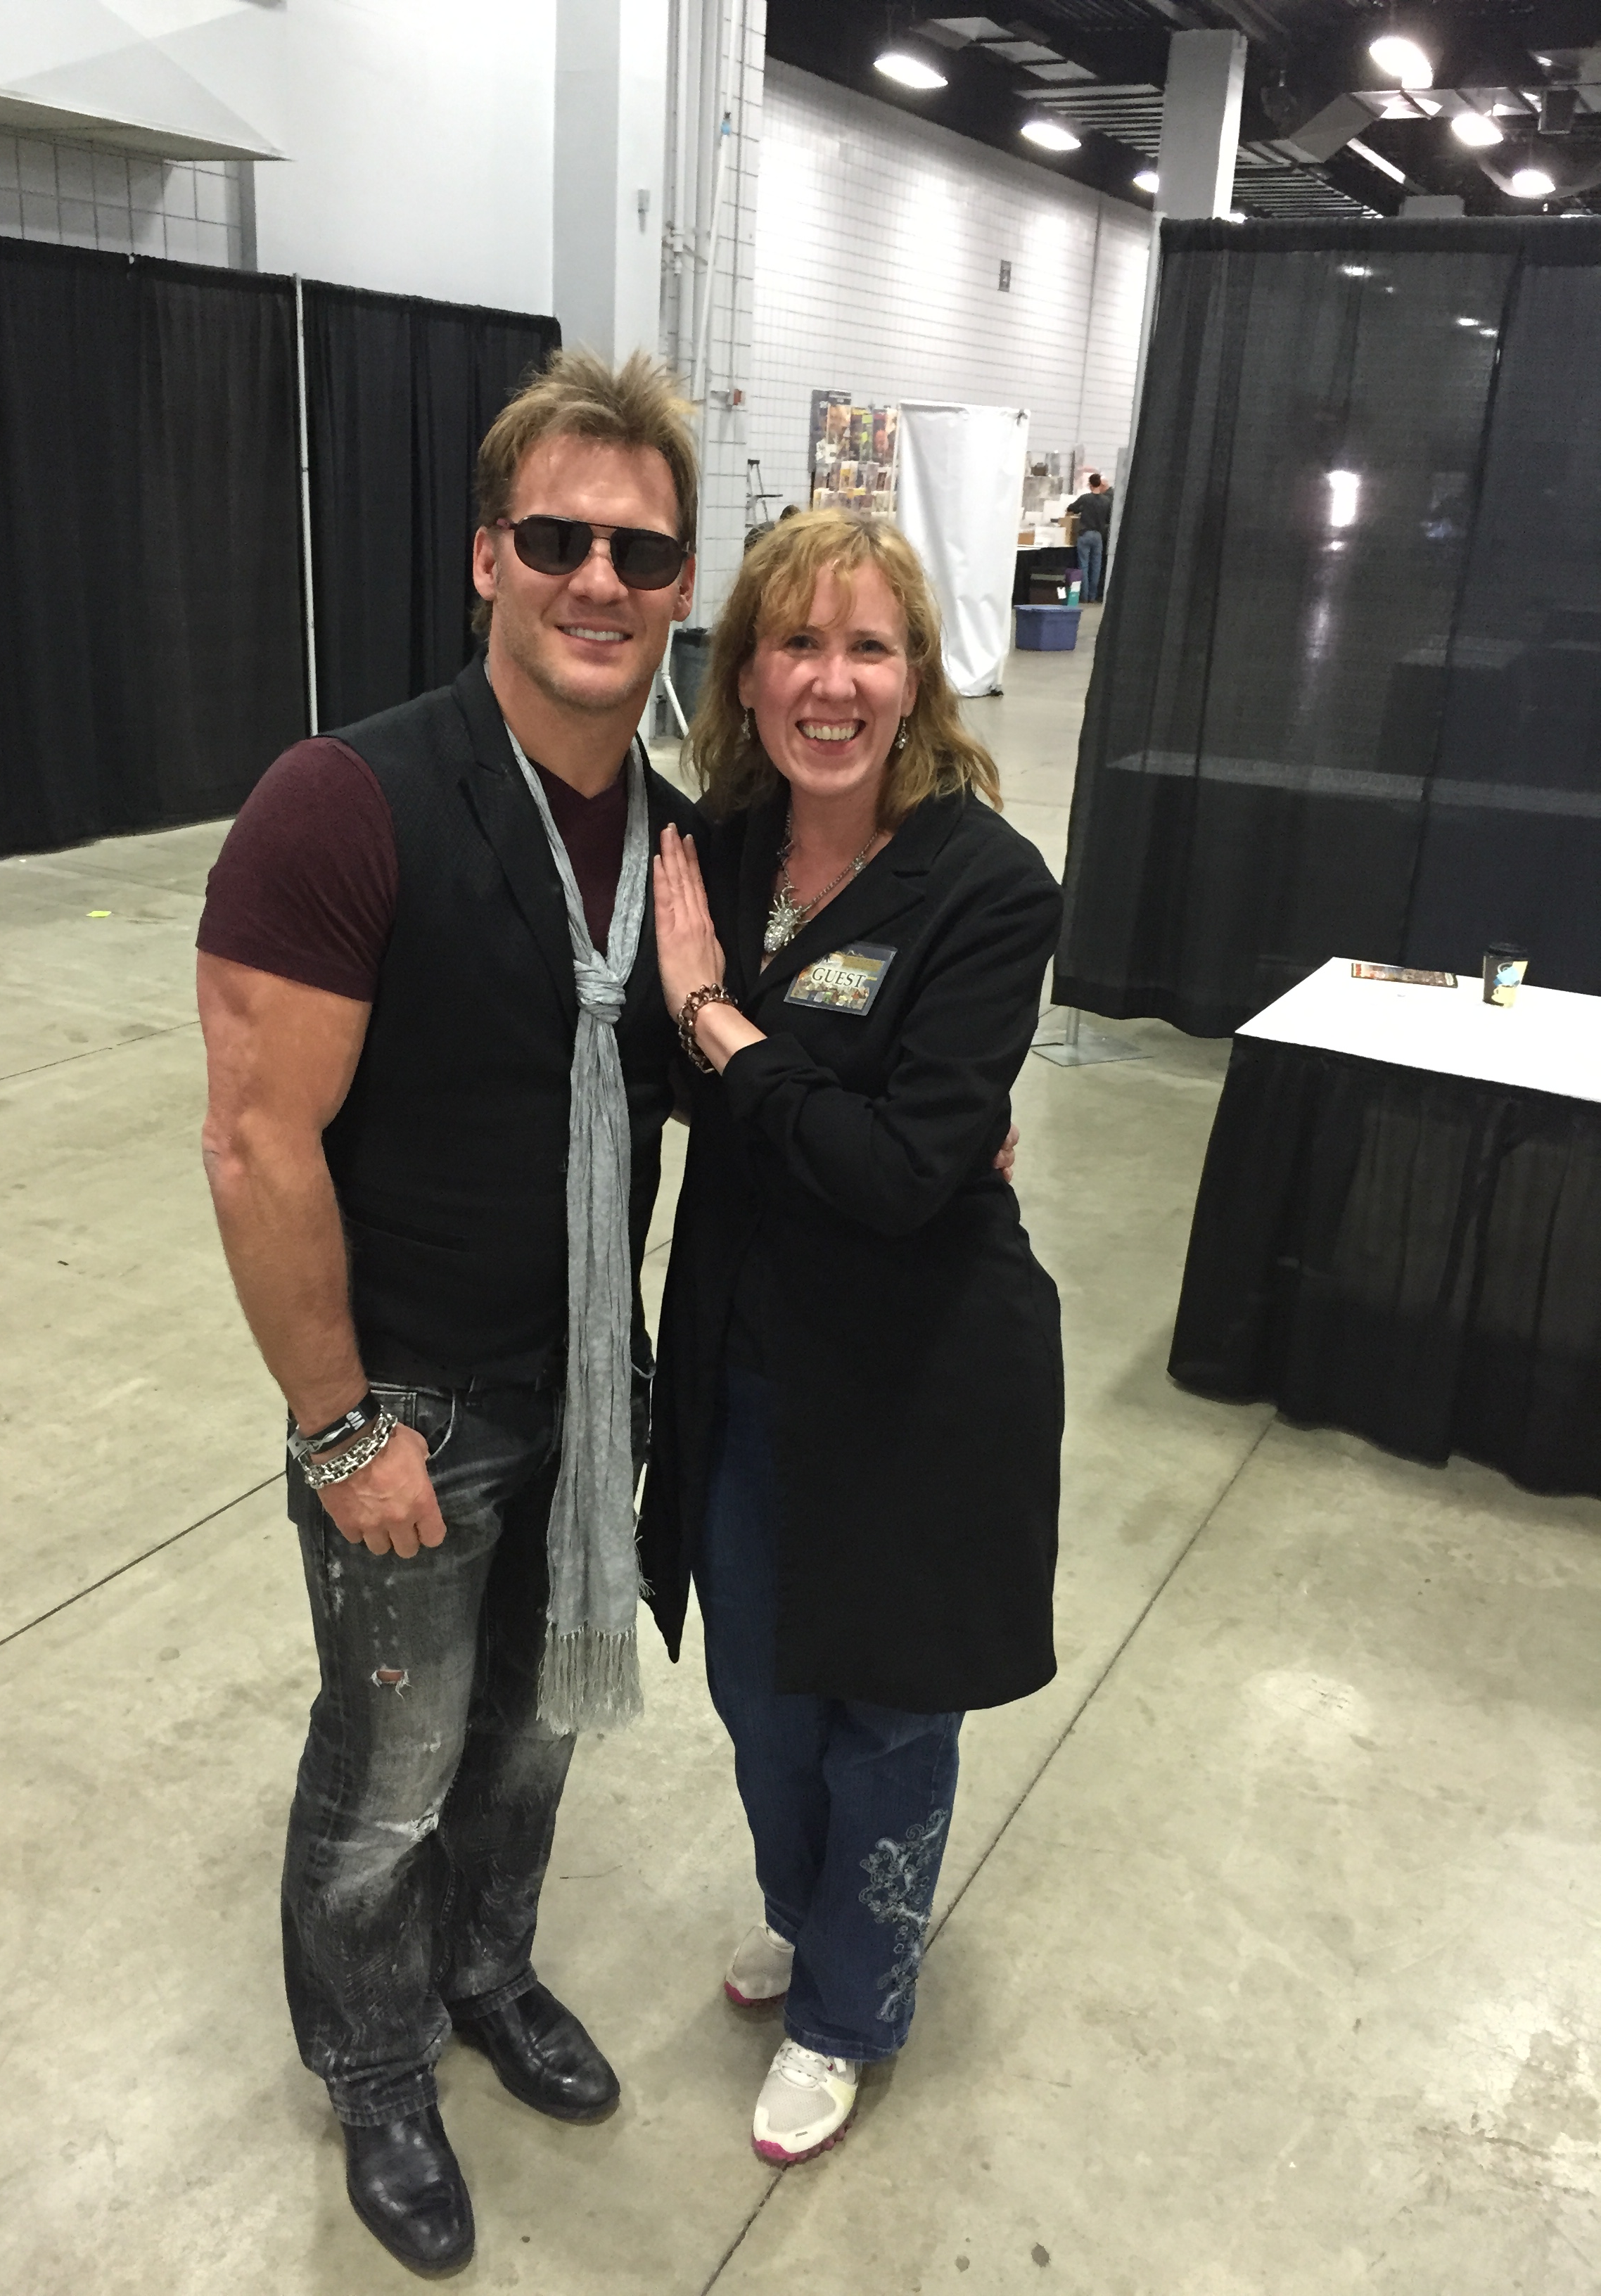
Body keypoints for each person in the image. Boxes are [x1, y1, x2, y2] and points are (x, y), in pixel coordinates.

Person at [195, 350, 701, 2276]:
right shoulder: (346, 803)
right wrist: (341, 1425)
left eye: (638, 550)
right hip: (407, 1402)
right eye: (557, 539)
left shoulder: (678, 843)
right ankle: (376, 2058)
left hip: (589, 1386)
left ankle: (488, 1973)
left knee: (535, 1736)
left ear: (678, 582)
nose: (597, 580)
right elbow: (258, 1143)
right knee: (393, 1767)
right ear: (487, 556)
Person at [640, 509, 1064, 2166]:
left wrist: (719, 1021)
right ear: (745, 676)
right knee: (759, 1686)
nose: (831, 683)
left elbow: (897, 1178)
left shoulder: (985, 888)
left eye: (867, 647)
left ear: (917, 677)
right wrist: (733, 1051)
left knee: (884, 1712)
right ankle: (800, 1908)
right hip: (746, 1355)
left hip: (916, 1372)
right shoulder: (721, 854)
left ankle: (848, 2007)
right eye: (796, 645)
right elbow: (692, 1085)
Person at [1069, 471, 1111, 603]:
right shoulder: (1107, 500)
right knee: (1096, 566)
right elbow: (1108, 518)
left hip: (1085, 533)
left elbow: (1071, 508)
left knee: (1084, 565)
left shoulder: (1085, 498)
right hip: (1098, 536)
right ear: (1100, 484)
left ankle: (1084, 596)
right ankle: (1093, 596)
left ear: (1090, 484)